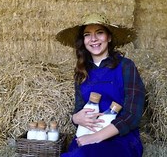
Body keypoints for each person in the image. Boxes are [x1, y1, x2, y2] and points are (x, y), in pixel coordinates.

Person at [56, 13, 145, 157]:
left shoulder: (126, 66)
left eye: (99, 33)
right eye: (87, 34)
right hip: (86, 134)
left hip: (121, 139)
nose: (93, 39)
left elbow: (132, 115)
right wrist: (75, 118)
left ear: (109, 37)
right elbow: (79, 108)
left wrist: (95, 138)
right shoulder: (81, 71)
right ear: (83, 40)